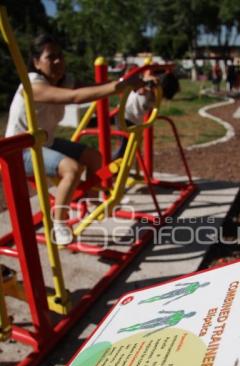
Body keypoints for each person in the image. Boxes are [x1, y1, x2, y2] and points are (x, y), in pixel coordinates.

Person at [5, 34, 143, 245]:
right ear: (36, 62)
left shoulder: (63, 80)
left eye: (60, 55)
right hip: (20, 150)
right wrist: (121, 85)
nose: (59, 61)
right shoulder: (32, 86)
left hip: (44, 142)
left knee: (94, 157)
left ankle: (91, 201)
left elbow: (91, 88)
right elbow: (75, 97)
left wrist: (125, 82)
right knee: (72, 168)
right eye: (51, 57)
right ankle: (59, 223)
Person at [113, 71, 180, 159]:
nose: (161, 97)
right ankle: (109, 163)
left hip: (135, 122)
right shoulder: (145, 87)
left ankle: (116, 163)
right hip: (123, 117)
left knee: (131, 150)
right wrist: (148, 80)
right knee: (124, 150)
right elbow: (144, 80)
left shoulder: (156, 94)